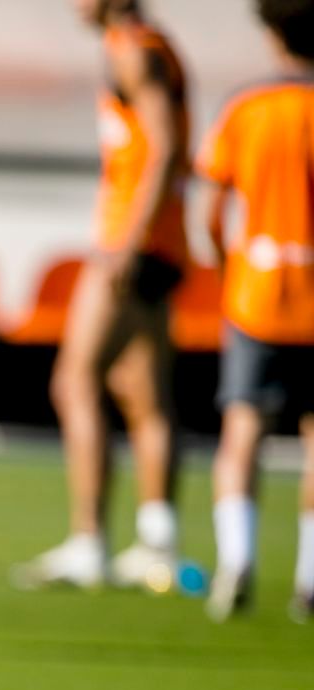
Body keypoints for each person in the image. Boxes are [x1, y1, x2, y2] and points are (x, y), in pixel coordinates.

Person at [15, 0, 191, 591]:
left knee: (74, 381)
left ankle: (88, 541)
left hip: (132, 243)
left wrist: (128, 243)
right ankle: (156, 543)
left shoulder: (135, 50)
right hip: (159, 244)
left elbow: (165, 146)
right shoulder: (147, 46)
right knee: (144, 394)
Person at [200, 0, 314, 622]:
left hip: (257, 296)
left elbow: (208, 216)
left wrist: (230, 271)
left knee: (242, 429)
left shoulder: (247, 108)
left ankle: (236, 559)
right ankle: (309, 578)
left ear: (272, 34)